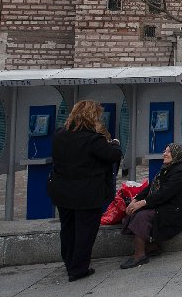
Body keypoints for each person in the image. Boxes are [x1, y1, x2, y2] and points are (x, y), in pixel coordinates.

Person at [47, 100, 123, 282]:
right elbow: (112, 155)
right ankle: (79, 268)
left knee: (67, 228)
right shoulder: (92, 139)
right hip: (86, 193)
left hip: (62, 191)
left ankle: (69, 262)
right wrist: (114, 143)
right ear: (92, 117)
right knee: (85, 231)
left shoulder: (60, 135)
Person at [120, 143, 182, 269]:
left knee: (142, 216)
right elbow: (152, 186)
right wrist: (136, 199)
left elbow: (165, 192)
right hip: (166, 205)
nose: (164, 154)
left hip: (176, 210)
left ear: (177, 155)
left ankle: (139, 255)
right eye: (164, 151)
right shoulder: (168, 168)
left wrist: (143, 203)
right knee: (133, 212)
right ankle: (151, 246)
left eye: (168, 152)